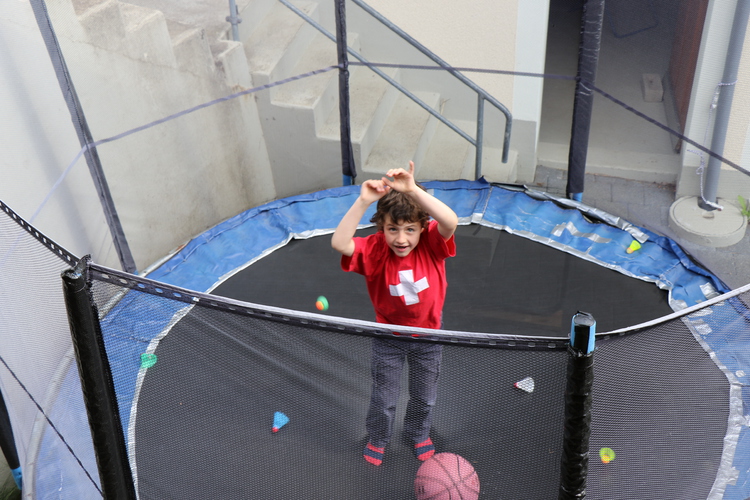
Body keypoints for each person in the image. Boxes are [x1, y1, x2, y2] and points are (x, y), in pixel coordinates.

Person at [331, 161, 458, 466]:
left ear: (422, 228)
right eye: (393, 229)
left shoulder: (430, 243)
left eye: (409, 229)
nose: (401, 239)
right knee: (384, 400)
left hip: (429, 336)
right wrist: (363, 200)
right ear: (382, 228)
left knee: (424, 397)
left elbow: (450, 221)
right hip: (388, 338)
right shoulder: (375, 250)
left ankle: (418, 433)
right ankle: (378, 437)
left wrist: (413, 189)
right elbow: (339, 243)